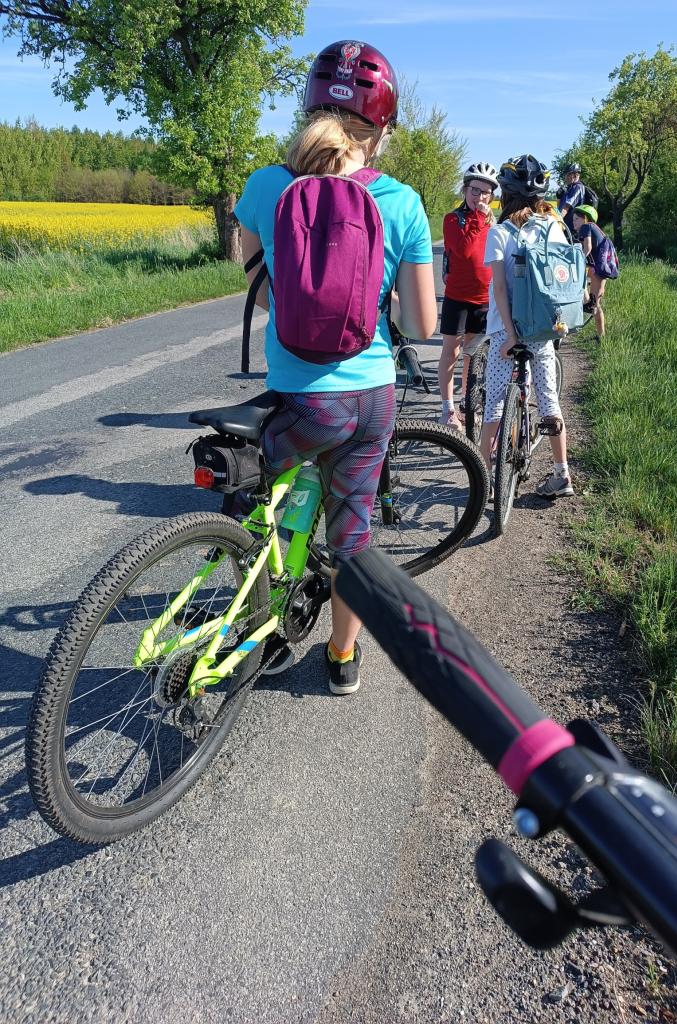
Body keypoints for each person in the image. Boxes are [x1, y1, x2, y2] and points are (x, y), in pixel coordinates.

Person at [233, 40, 437, 695]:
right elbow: (423, 325)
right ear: (383, 129)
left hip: (299, 397)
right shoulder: (401, 202)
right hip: (369, 395)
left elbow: (256, 281)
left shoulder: (267, 185)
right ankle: (342, 657)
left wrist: (300, 305)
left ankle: (260, 614)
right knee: (352, 535)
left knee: (262, 505)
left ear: (308, 109)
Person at [480, 154, 574, 500]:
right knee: (548, 398)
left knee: (494, 404)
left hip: (505, 331)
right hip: (543, 329)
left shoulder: (499, 232)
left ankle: (484, 480)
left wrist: (510, 334)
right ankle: (562, 474)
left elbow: (499, 290)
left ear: (505, 194)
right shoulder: (554, 227)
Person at [438, 162, 497, 428]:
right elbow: (463, 250)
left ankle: (466, 401)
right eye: (475, 190)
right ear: (465, 189)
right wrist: (478, 219)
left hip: (484, 298)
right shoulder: (454, 219)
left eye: (485, 192)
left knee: (472, 356)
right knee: (451, 352)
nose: (479, 197)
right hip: (458, 297)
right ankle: (447, 409)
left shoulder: (493, 222)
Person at [573, 204, 611, 342]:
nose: (574, 222)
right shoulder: (595, 228)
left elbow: (587, 247)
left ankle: (601, 337)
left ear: (585, 218)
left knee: (594, 305)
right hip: (599, 270)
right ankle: (601, 336)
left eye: (576, 219)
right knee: (594, 304)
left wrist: (578, 261)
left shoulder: (586, 227)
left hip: (598, 271)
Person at [557, 162, 585, 236]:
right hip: (565, 226)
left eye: (568, 175)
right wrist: (559, 198)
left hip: (571, 229)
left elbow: (566, 208)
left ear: (575, 175)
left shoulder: (577, 187)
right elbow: (559, 208)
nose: (565, 177)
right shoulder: (570, 188)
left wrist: (556, 221)